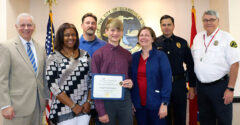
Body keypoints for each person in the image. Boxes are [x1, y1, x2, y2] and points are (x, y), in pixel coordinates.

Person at [191, 10, 240, 125]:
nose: (208, 22)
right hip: (202, 88)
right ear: (203, 22)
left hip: (220, 87)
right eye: (206, 20)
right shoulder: (198, 37)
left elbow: (235, 64)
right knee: (205, 120)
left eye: (212, 19)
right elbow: (195, 61)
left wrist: (231, 89)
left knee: (224, 120)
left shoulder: (227, 38)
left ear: (218, 21)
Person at [0, 13, 49, 125]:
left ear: (34, 27)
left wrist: (46, 96)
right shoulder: (6, 47)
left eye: (29, 25)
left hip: (38, 105)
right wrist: (5, 105)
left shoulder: (40, 48)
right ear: (16, 27)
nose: (26, 28)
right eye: (22, 25)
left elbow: (43, 77)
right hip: (16, 108)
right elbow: (2, 79)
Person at [153, 15, 196, 125]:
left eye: (169, 24)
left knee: (180, 115)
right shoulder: (155, 43)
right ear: (160, 27)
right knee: (163, 115)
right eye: (164, 25)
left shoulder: (182, 43)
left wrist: (191, 86)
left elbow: (191, 65)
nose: (166, 27)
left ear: (173, 26)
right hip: (161, 84)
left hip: (179, 84)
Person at [45, 23, 92, 125]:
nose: (71, 37)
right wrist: (73, 106)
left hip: (84, 108)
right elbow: (53, 86)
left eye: (73, 34)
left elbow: (91, 80)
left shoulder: (85, 55)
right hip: (63, 108)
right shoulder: (53, 57)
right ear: (61, 37)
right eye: (67, 35)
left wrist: (88, 102)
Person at [91, 18, 133, 125]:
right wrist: (100, 111)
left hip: (125, 100)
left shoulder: (127, 54)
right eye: (112, 30)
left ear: (122, 33)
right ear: (106, 31)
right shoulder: (98, 54)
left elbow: (132, 78)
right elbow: (95, 84)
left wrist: (132, 83)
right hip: (106, 102)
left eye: (118, 30)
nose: (115, 33)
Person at [131, 26, 172, 125]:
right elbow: (131, 80)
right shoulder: (134, 57)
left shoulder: (160, 56)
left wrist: (164, 103)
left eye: (147, 35)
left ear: (153, 39)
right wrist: (131, 102)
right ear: (138, 39)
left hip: (157, 104)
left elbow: (167, 80)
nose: (143, 37)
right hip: (139, 105)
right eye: (141, 35)